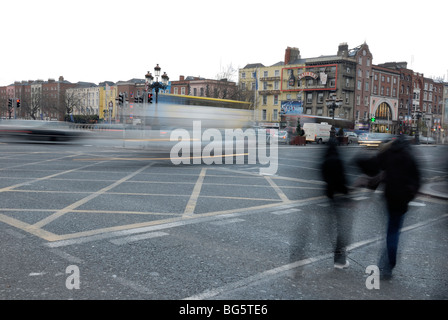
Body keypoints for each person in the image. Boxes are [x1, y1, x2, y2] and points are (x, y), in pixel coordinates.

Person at [355, 135, 421, 279]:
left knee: (391, 231)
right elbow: (417, 180)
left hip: (390, 197)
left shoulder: (388, 154)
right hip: (402, 200)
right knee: (394, 231)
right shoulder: (409, 156)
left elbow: (372, 166)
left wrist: (359, 158)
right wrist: (410, 195)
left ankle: (385, 264)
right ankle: (388, 265)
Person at [321, 137, 351, 269]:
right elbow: (343, 179)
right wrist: (348, 196)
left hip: (330, 196)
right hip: (340, 197)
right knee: (343, 229)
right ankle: (339, 259)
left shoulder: (325, 161)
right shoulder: (338, 160)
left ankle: (338, 257)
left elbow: (325, 177)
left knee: (334, 227)